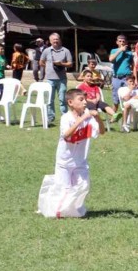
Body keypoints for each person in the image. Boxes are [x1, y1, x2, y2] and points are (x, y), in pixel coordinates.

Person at [37, 89, 105, 218]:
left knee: (83, 186)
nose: (85, 102)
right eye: (81, 99)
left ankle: (73, 211)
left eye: (85, 99)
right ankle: (57, 211)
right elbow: (66, 134)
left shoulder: (88, 118)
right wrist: (81, 119)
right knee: (64, 189)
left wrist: (98, 118)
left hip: (81, 161)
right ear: (70, 102)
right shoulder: (66, 118)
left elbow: (101, 132)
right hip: (65, 161)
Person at [40, 33, 73, 123]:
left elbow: (70, 64)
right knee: (50, 99)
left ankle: (65, 116)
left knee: (62, 98)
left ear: (60, 40)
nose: (55, 41)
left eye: (57, 39)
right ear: (50, 41)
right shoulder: (46, 51)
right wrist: (48, 67)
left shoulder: (65, 51)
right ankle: (50, 117)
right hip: (50, 79)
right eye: (53, 39)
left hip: (62, 79)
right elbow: (41, 62)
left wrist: (61, 64)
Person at [109, 35, 134, 113]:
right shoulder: (114, 51)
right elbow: (111, 59)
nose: (122, 43)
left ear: (126, 42)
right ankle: (114, 115)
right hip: (116, 78)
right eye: (120, 41)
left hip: (127, 78)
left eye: (123, 41)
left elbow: (132, 64)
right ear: (117, 42)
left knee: (128, 97)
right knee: (116, 98)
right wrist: (120, 50)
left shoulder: (129, 53)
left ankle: (128, 116)